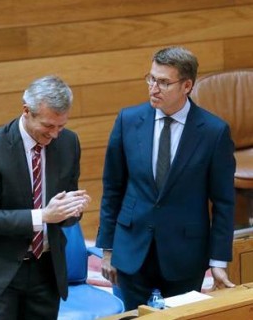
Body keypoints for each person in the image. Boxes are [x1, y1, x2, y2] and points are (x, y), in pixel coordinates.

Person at [96, 46, 236, 310]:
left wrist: (218, 261)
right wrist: (107, 248)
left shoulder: (213, 132)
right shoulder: (128, 120)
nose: (153, 88)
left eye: (163, 82)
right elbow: (113, 187)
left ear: (186, 85)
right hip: (132, 247)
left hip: (185, 254)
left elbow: (224, 203)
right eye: (151, 79)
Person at [0, 76, 91, 319]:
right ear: (26, 111)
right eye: (48, 126)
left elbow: (63, 213)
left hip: (45, 269)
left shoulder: (68, 143)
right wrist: (44, 215)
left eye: (61, 126)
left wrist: (72, 211)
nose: (55, 134)